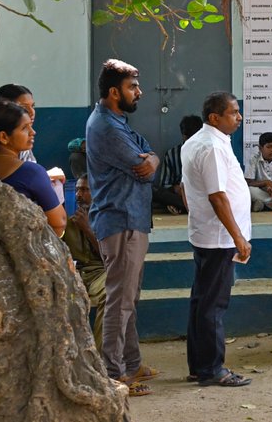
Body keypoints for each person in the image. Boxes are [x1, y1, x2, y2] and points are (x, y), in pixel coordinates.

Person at [85, 58, 159, 395]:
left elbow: (149, 155)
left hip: (130, 219)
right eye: (133, 87)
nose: (139, 92)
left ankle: (132, 363)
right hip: (121, 221)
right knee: (120, 300)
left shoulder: (117, 121)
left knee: (130, 297)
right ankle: (115, 374)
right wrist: (149, 161)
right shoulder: (107, 127)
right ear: (114, 92)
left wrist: (153, 159)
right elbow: (139, 164)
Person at [181, 91, 252, 388]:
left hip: (208, 233)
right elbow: (218, 196)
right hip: (220, 238)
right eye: (233, 113)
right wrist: (238, 237)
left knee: (202, 301)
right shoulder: (210, 146)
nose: (239, 117)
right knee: (213, 305)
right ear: (214, 118)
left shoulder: (199, 141)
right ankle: (212, 369)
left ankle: (200, 365)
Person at [0, 100, 66, 236]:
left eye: (30, 126)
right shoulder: (31, 173)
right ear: (4, 137)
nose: (32, 132)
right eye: (24, 128)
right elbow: (59, 223)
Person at [63, 174, 107, 347]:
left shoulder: (106, 218)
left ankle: (101, 357)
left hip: (99, 272)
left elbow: (108, 256)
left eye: (85, 190)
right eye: (77, 190)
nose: (79, 195)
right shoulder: (66, 218)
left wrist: (87, 229)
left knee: (111, 294)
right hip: (74, 272)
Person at [154, 115, 201, 215]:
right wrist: (176, 189)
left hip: (200, 197)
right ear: (183, 135)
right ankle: (182, 206)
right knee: (154, 191)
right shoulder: (172, 154)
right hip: (179, 196)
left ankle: (180, 207)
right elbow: (164, 184)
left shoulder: (208, 152)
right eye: (189, 138)